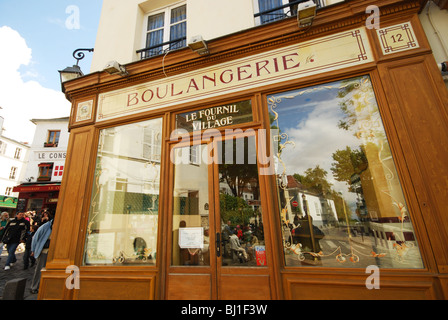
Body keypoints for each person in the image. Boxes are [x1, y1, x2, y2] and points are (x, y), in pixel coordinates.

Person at [30, 213, 54, 294]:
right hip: (44, 251)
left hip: (54, 252)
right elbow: (35, 238)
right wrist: (33, 250)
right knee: (40, 269)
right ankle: (34, 287)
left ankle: (45, 286)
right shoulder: (45, 226)